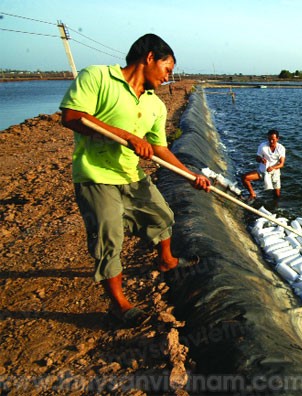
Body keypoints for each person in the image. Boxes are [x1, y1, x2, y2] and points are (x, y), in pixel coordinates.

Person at [59, 33, 211, 327]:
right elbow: (71, 116)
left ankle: (166, 260)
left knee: (162, 216)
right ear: (149, 57)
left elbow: (159, 148)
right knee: (109, 237)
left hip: (131, 174)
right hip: (95, 175)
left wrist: (191, 175)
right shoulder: (98, 77)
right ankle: (119, 304)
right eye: (168, 69)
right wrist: (126, 136)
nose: (169, 77)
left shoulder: (155, 105)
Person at [242, 129, 286, 200]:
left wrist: (273, 167)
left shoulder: (281, 148)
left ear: (277, 139)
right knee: (245, 178)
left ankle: (275, 207)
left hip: (275, 172)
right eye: (269, 139)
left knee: (277, 195)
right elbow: (257, 158)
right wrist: (261, 159)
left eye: (273, 139)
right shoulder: (262, 146)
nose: (271, 141)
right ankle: (252, 194)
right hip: (263, 171)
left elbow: (281, 164)